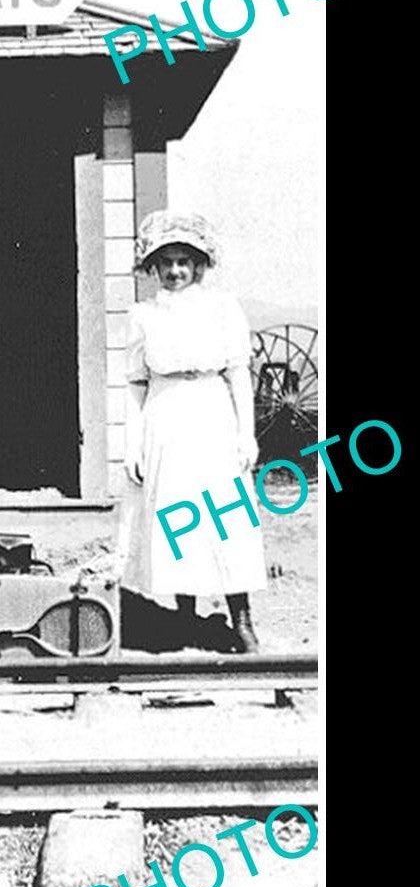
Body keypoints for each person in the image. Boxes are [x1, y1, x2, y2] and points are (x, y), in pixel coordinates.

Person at [120, 211, 266, 651]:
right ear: (153, 267)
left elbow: (239, 372)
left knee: (226, 516)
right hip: (165, 418)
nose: (176, 271)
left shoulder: (222, 307)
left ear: (199, 265)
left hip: (212, 414)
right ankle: (184, 619)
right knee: (178, 518)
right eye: (166, 262)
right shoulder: (142, 314)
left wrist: (247, 434)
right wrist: (133, 443)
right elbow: (135, 382)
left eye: (185, 261)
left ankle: (241, 618)